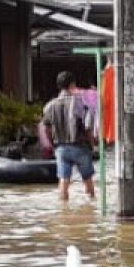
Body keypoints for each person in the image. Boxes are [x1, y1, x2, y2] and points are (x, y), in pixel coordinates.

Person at [42, 71, 96, 202]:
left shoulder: (49, 106)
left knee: (63, 181)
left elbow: (46, 129)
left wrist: (54, 145)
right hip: (80, 146)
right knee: (87, 180)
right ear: (73, 84)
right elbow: (87, 127)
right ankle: (92, 208)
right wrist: (92, 145)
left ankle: (63, 211)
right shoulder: (81, 103)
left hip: (61, 148)